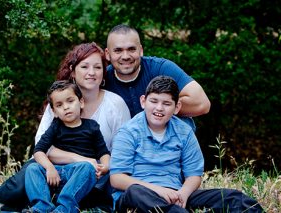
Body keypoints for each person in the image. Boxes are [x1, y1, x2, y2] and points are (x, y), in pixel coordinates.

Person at [0, 42, 130, 212]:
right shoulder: (58, 102)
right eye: (84, 66)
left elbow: (122, 152)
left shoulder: (115, 104)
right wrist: (77, 159)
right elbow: (42, 147)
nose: (91, 73)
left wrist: (101, 165)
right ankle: (2, 200)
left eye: (98, 67)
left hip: (91, 175)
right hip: (53, 170)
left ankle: (60, 207)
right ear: (73, 71)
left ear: (104, 72)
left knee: (91, 189)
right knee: (28, 175)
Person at [110, 76, 264, 213]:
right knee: (135, 192)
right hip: (140, 196)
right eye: (154, 101)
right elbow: (117, 178)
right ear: (143, 101)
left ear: (177, 107)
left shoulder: (184, 131)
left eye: (166, 103)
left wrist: (183, 194)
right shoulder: (128, 131)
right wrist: (160, 191)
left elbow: (194, 176)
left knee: (232, 197)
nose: (159, 108)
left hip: (175, 194)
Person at [25, 80, 110, 212]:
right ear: (54, 111)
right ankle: (42, 206)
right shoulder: (56, 126)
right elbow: (38, 151)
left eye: (70, 101)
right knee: (32, 168)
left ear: (81, 102)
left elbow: (103, 152)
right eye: (59, 105)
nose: (66, 107)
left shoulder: (91, 126)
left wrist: (105, 166)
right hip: (57, 173)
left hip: (80, 176)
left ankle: (65, 208)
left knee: (87, 167)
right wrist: (49, 168)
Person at [104, 24, 211, 130]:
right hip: (124, 143)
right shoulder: (102, 78)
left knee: (183, 122)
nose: (126, 56)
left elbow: (202, 104)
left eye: (131, 49)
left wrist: (157, 110)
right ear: (108, 54)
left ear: (140, 50)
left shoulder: (160, 68)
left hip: (167, 141)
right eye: (118, 50)